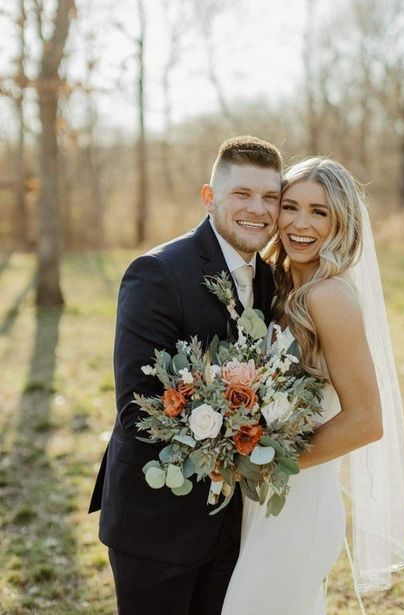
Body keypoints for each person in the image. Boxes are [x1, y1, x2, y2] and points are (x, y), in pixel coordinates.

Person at [88, 136, 283, 615]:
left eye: (270, 198)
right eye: (242, 194)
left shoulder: (271, 279)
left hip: (234, 523)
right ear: (209, 197)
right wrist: (229, 435)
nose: (257, 209)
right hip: (157, 523)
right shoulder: (157, 272)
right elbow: (138, 406)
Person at [221, 157, 404, 615]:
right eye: (290, 206)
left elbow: (366, 422)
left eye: (319, 212)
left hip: (297, 504)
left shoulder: (329, 296)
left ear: (340, 222)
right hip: (262, 502)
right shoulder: (280, 290)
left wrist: (263, 465)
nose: (300, 224)